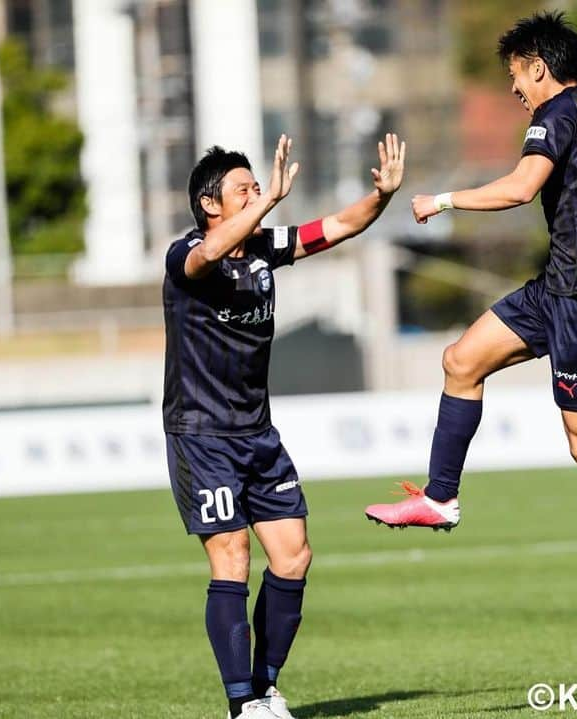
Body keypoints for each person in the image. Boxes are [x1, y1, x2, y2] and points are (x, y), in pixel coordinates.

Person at [363, 12, 577, 626]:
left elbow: (522, 189)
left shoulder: (554, 114)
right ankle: (440, 498)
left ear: (541, 67)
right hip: (558, 288)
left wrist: (442, 200)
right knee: (461, 360)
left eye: (516, 74)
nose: (513, 88)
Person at [164, 133, 406, 719]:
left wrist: (383, 198)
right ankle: (241, 702)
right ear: (210, 205)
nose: (256, 195)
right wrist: (266, 201)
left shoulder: (264, 251)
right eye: (242, 190)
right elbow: (204, 257)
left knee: (293, 556)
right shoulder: (186, 256)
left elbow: (339, 227)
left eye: (257, 187)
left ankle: (266, 686)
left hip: (257, 433)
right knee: (232, 558)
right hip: (202, 434)